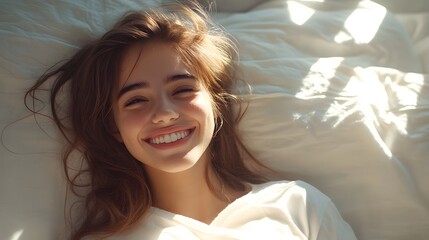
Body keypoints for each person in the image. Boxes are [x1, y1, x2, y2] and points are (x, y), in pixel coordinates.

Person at [26, 2, 357, 240]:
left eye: (182, 89)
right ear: (113, 126)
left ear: (214, 101)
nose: (165, 112)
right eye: (136, 100)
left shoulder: (297, 204)